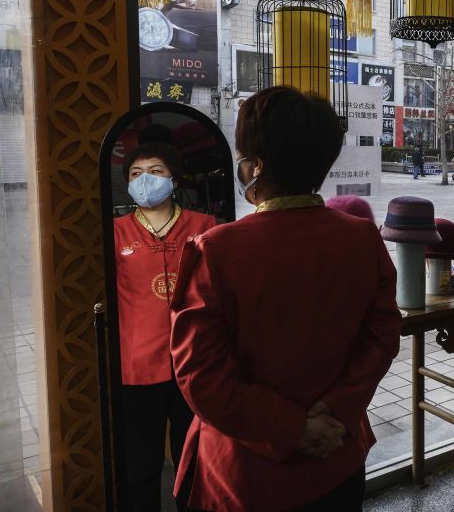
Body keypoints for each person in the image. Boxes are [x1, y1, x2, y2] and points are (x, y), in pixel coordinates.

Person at [169, 87, 401, 511]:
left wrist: (291, 428)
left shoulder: (215, 250)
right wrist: (331, 414)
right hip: (338, 454)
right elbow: (382, 338)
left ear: (256, 166)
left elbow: (201, 375)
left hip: (246, 471)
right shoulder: (362, 238)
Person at [113, 141, 215, 512]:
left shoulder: (204, 226)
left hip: (194, 363)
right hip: (137, 366)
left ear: (174, 179)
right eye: (136, 174)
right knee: (141, 466)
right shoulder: (114, 232)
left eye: (155, 172)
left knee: (195, 461)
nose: (145, 180)